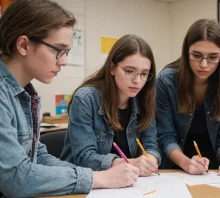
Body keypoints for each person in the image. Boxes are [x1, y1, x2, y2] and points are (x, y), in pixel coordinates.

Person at [0, 0, 139, 197]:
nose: (64, 61)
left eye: (66, 51)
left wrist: (94, 176)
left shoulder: (26, 95)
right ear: (23, 45)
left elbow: (37, 157)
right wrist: (99, 178)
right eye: (58, 50)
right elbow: (17, 178)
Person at [60, 34, 160, 177]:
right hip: (85, 184)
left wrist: (150, 158)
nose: (137, 81)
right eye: (129, 71)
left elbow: (151, 146)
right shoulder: (86, 99)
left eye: (144, 74)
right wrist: (130, 164)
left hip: (128, 184)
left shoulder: (144, 100)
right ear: (112, 68)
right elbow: (85, 158)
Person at [156, 18, 220, 177]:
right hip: (174, 166)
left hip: (213, 169)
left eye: (213, 57)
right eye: (196, 55)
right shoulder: (165, 80)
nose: (204, 64)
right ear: (186, 51)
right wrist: (185, 163)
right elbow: (165, 135)